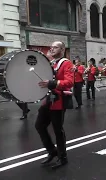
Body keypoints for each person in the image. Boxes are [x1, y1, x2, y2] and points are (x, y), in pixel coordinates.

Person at [35, 41, 74, 169]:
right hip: (48, 100)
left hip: (58, 101)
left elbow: (69, 82)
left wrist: (51, 83)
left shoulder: (66, 63)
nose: (52, 48)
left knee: (58, 130)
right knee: (39, 125)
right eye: (51, 47)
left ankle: (63, 157)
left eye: (55, 47)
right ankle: (52, 151)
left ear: (62, 49)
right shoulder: (51, 63)